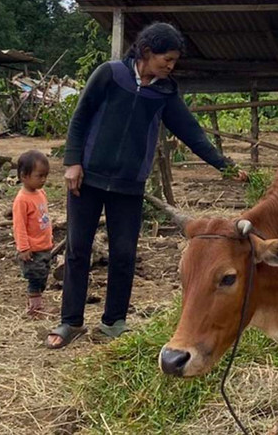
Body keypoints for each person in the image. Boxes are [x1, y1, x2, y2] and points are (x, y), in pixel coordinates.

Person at [46, 22, 245, 348]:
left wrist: (225, 165)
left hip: (129, 185)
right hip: (88, 178)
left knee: (124, 254)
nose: (170, 65)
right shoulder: (110, 75)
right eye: (167, 58)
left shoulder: (164, 92)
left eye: (174, 61)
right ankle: (70, 322)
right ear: (147, 52)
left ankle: (114, 322)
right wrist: (72, 162)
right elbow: (81, 117)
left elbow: (191, 132)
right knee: (78, 250)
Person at [12, 149, 54, 319]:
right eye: (39, 176)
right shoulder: (22, 200)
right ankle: (35, 309)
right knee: (35, 278)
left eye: (45, 176)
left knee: (43, 276)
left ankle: (35, 304)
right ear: (24, 176)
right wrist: (23, 247)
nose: (43, 180)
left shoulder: (41, 193)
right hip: (32, 250)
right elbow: (19, 225)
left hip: (44, 246)